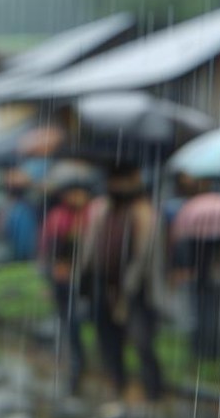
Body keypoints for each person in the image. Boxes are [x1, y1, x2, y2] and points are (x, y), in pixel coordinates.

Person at [76, 165, 167, 403]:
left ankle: (152, 392)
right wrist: (86, 276)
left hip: (139, 290)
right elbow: (90, 247)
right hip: (104, 285)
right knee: (108, 340)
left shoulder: (145, 214)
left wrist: (130, 287)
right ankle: (118, 386)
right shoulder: (102, 209)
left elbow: (146, 256)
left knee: (142, 342)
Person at [39, 179, 95, 396]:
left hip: (83, 280)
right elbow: (49, 249)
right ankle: (75, 365)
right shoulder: (58, 218)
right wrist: (52, 273)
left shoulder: (91, 218)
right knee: (68, 323)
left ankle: (79, 364)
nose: (76, 198)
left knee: (77, 320)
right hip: (61, 280)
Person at [0, 168, 39, 261]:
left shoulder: (22, 210)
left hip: (12, 255)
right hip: (9, 253)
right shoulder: (16, 208)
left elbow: (23, 243)